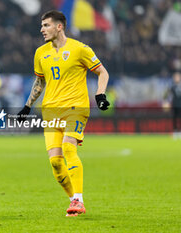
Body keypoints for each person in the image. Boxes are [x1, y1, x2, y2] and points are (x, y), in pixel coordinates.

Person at [18, 10, 110, 217]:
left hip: (75, 107)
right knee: (56, 163)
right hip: (50, 111)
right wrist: (27, 106)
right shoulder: (40, 53)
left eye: (46, 25)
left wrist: (100, 95)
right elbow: (40, 81)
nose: (42, 29)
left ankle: (79, 198)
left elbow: (102, 71)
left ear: (59, 26)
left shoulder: (80, 49)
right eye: (42, 26)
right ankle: (73, 201)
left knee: (69, 148)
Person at [163, 72, 181, 140]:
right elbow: (166, 95)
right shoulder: (172, 86)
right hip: (174, 104)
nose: (177, 78)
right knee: (174, 118)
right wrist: (166, 102)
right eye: (175, 77)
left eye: (178, 77)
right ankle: (175, 131)